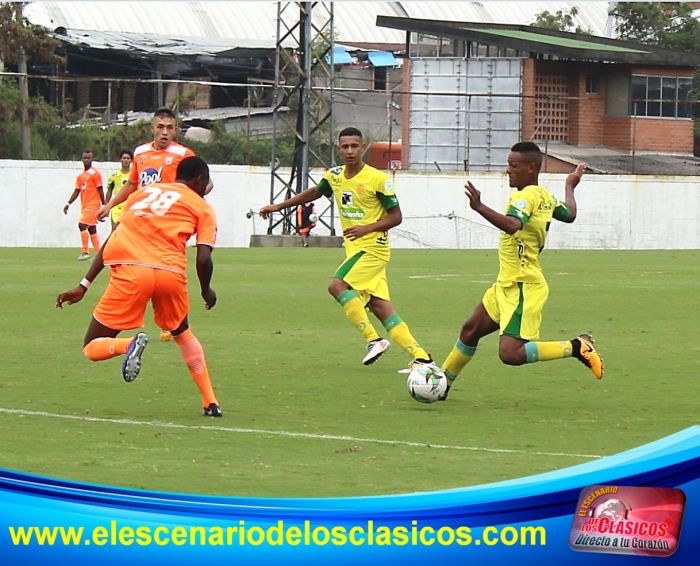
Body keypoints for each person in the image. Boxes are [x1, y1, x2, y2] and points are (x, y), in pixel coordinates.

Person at [56, 157, 222, 417]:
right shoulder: (202, 207)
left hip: (131, 272)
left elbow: (113, 238)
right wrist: (206, 290)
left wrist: (83, 285)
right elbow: (203, 257)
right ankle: (210, 401)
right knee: (183, 333)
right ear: (199, 180)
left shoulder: (141, 194)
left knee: (91, 345)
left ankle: (128, 345)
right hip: (170, 273)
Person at [438, 142, 603, 401]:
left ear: (530, 168)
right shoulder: (544, 196)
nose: (508, 171)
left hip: (523, 285)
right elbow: (569, 214)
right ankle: (441, 383)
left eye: (513, 166)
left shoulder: (524, 197)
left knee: (510, 353)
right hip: (506, 284)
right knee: (470, 330)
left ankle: (576, 347)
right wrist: (570, 186)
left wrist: (480, 207)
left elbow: (514, 225)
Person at [260, 127, 432, 367]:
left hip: (373, 249)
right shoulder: (335, 176)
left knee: (337, 285)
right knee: (381, 307)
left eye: (355, 146)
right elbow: (314, 193)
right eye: (345, 146)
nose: (350, 151)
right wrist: (279, 206)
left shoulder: (378, 180)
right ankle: (422, 358)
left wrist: (366, 228)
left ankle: (373, 340)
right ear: (339, 149)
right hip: (356, 250)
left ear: (363, 148)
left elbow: (396, 217)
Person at [96, 107, 213, 342]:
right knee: (130, 265)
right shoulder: (140, 153)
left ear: (176, 130)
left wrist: (191, 205)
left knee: (166, 271)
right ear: (152, 128)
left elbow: (207, 184)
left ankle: (169, 323)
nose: (164, 132)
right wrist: (109, 206)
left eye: (170, 128)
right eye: (160, 127)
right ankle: (134, 313)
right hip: (141, 221)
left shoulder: (183, 154)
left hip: (168, 227)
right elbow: (132, 185)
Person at [63, 150, 105, 261]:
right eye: (85, 158)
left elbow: (100, 189)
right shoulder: (81, 176)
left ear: (92, 159)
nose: (86, 160)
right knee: (92, 229)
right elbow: (77, 191)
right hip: (85, 205)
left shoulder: (95, 173)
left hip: (93, 205)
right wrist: (68, 203)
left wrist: (105, 205)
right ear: (82, 159)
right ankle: (98, 254)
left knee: (82, 225)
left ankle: (85, 252)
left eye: (88, 158)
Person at [105, 149, 133, 231]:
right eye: (124, 158)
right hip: (116, 207)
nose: (126, 160)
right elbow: (109, 191)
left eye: (128, 158)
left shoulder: (134, 175)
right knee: (115, 229)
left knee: (127, 231)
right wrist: (106, 206)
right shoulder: (114, 175)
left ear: (131, 161)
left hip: (129, 207)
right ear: (120, 160)